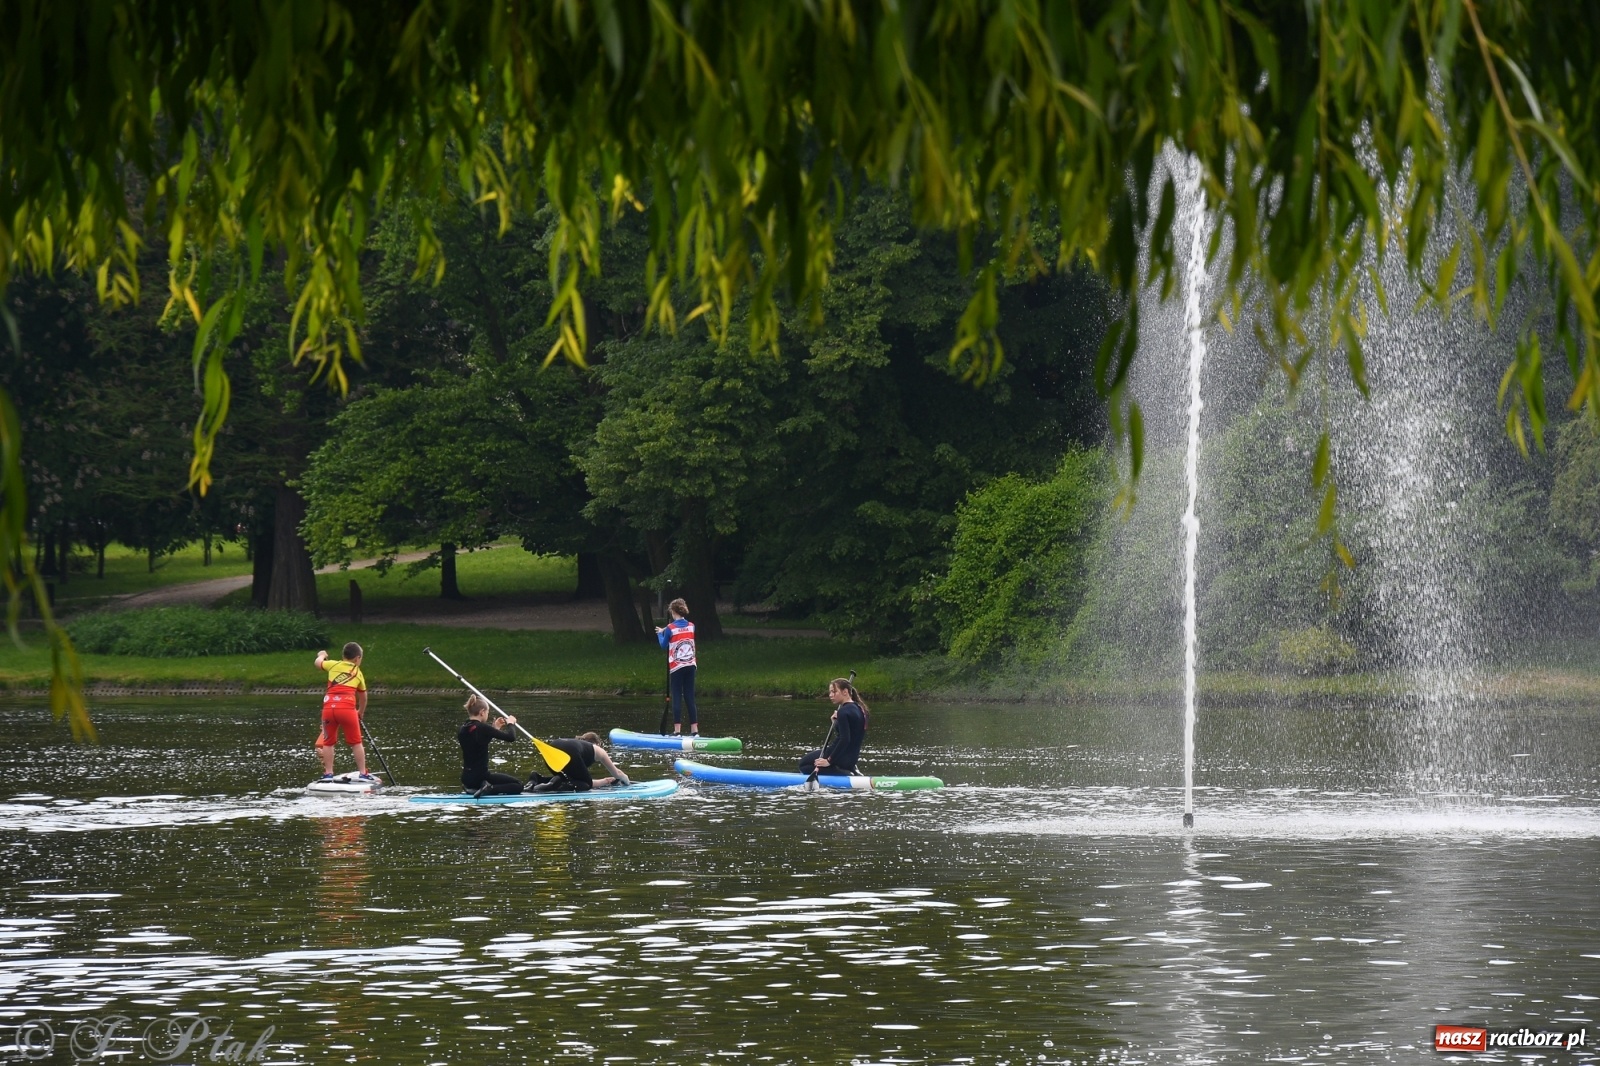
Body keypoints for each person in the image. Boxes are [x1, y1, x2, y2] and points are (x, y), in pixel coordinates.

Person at [315, 642, 377, 782]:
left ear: (343, 656)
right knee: (356, 742)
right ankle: (363, 773)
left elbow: (318, 663)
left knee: (328, 742)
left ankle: (328, 774)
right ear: (357, 658)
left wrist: (322, 655)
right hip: (347, 710)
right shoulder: (357, 672)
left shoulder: (333, 665)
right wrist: (360, 711)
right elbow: (363, 696)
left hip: (328, 709)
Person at [798, 677, 868, 777]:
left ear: (845, 692)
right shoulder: (860, 709)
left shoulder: (843, 712)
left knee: (804, 764)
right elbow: (854, 733)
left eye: (834, 692)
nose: (831, 695)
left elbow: (845, 739)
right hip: (852, 758)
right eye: (830, 692)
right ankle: (852, 770)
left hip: (840, 757)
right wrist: (836, 722)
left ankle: (845, 773)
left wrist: (829, 760)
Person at [458, 695, 525, 797]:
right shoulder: (483, 727)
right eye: (487, 712)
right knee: (518, 785)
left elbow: (479, 744)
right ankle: (489, 789)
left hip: (467, 779)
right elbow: (511, 737)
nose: (487, 715)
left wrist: (495, 728)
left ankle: (474, 789)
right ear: (482, 712)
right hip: (480, 778)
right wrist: (511, 724)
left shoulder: (463, 728)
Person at [526, 732, 632, 793]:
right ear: (597, 743)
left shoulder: (578, 745)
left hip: (552, 748)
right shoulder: (599, 750)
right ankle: (549, 787)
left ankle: (537, 779)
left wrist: (605, 781)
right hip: (568, 753)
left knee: (566, 778)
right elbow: (617, 773)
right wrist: (626, 782)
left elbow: (578, 777)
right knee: (585, 786)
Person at [655, 597, 699, 736]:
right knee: (689, 697)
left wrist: (659, 634)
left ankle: (677, 731)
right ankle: (695, 731)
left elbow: (664, 645)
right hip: (691, 665)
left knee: (677, 697)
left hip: (677, 667)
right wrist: (665, 629)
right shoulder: (692, 625)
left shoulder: (670, 629)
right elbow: (680, 628)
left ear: (673, 611)